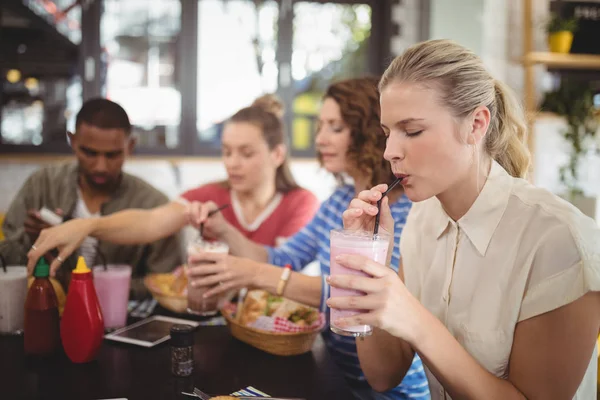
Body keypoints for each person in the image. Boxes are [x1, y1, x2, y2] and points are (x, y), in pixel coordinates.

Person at [326, 39, 600, 399]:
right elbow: (383, 374)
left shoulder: (560, 240)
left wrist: (417, 321)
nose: (390, 151)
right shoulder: (421, 221)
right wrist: (368, 263)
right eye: (387, 133)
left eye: (412, 131)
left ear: (476, 124)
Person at [185, 78, 429, 400]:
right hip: (336, 378)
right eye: (319, 127)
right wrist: (226, 231)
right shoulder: (337, 202)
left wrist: (255, 274)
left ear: (371, 132)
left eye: (335, 127)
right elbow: (280, 259)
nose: (321, 139)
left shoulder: (409, 215)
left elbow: (360, 294)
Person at [26, 95, 318, 274]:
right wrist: (87, 226)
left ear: (277, 154)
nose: (232, 163)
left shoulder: (301, 203)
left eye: (246, 153)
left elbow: (282, 269)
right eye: (227, 151)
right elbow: (151, 221)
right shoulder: (208, 195)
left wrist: (226, 233)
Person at [1, 98, 181, 298]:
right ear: (73, 141)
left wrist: (94, 285)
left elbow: (167, 283)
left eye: (112, 155)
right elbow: (6, 261)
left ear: (130, 146)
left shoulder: (152, 204)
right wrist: (32, 240)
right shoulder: (43, 185)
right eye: (89, 153)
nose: (100, 166)